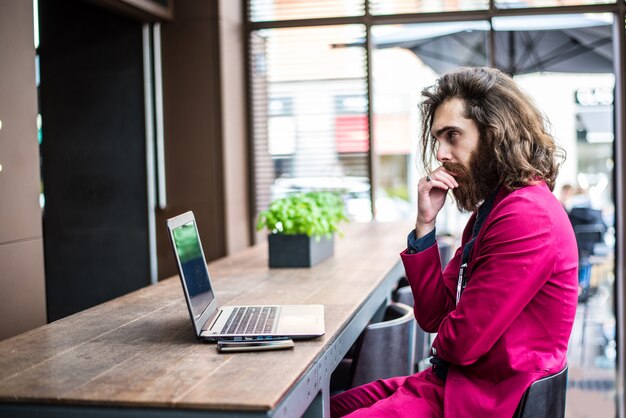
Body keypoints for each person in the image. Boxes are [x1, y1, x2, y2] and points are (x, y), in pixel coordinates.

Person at [330, 67, 578, 417]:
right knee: (326, 407)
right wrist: (425, 225)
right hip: (450, 382)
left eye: (452, 136)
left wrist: (452, 328)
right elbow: (432, 315)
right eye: (438, 139)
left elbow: (461, 344)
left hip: (483, 400)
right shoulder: (491, 211)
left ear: (495, 133)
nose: (441, 154)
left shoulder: (527, 217)